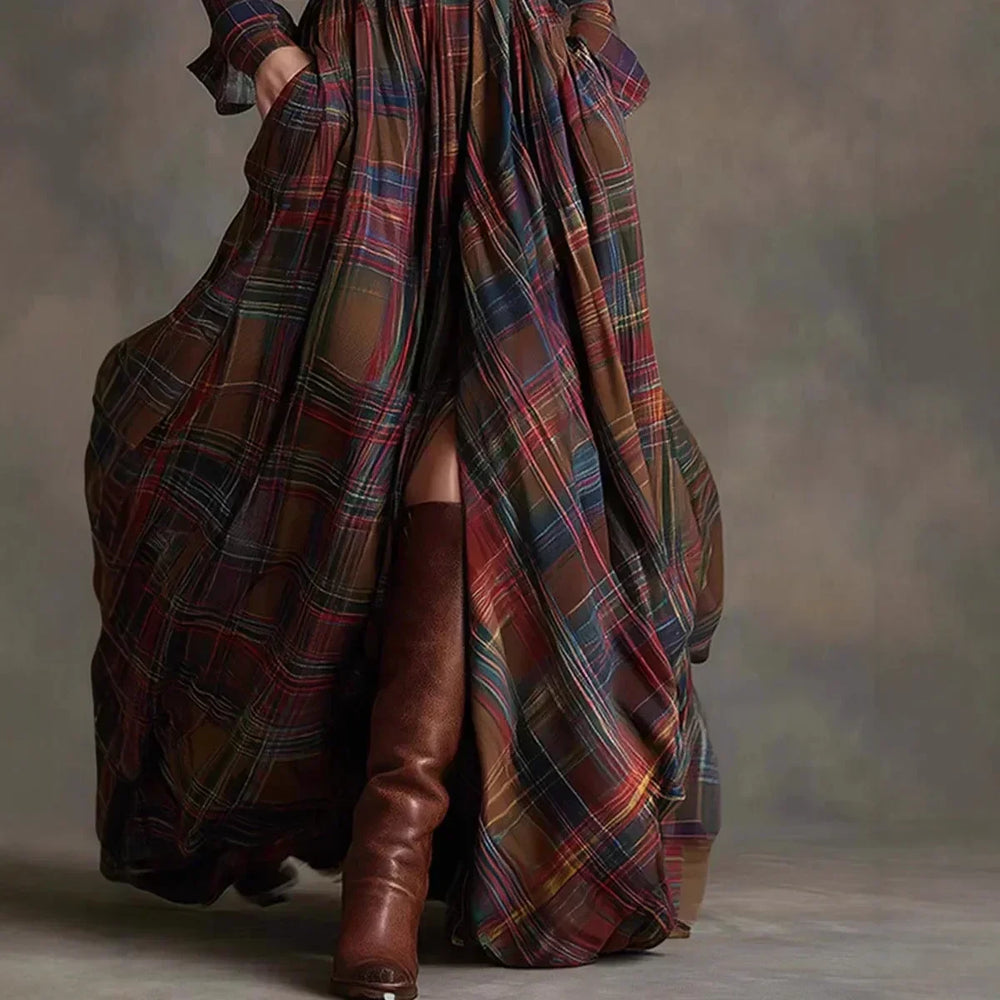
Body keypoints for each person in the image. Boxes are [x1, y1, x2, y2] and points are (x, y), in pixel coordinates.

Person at [83, 2, 725, 998]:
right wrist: (269, 51)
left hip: (526, 111)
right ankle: (371, 832)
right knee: (336, 457)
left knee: (512, 438)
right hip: (368, 101)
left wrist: (585, 51)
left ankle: (391, 867)